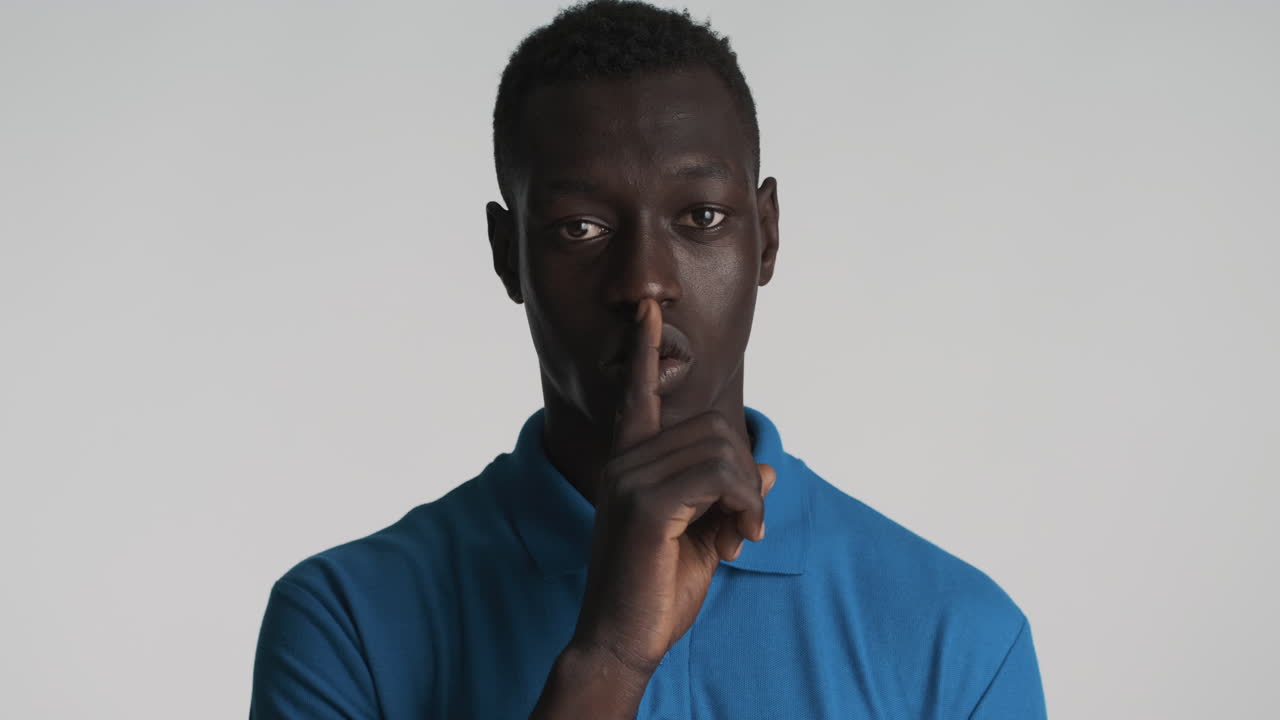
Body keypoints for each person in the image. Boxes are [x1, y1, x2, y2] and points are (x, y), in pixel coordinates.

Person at [248, 1, 1048, 717]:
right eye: (580, 229)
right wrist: (608, 659)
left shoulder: (957, 635)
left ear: (766, 234)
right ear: (506, 256)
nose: (644, 283)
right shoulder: (344, 621)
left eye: (700, 216)